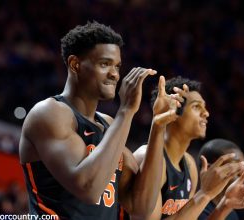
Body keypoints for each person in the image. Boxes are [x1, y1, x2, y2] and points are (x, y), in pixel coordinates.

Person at [19, 21, 180, 220]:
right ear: (75, 64)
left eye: (117, 66)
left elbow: (141, 209)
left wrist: (158, 126)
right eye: (104, 64)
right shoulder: (50, 113)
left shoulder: (109, 124)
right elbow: (88, 188)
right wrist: (127, 110)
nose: (114, 74)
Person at [133, 77, 244, 220]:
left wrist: (225, 205)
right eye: (197, 107)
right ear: (172, 112)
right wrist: (205, 194)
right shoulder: (148, 158)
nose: (206, 113)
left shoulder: (189, 164)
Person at [198, 138, 244, 220]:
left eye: (243, 166)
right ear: (210, 170)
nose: (243, 172)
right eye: (235, 166)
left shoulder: (232, 214)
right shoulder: (196, 211)